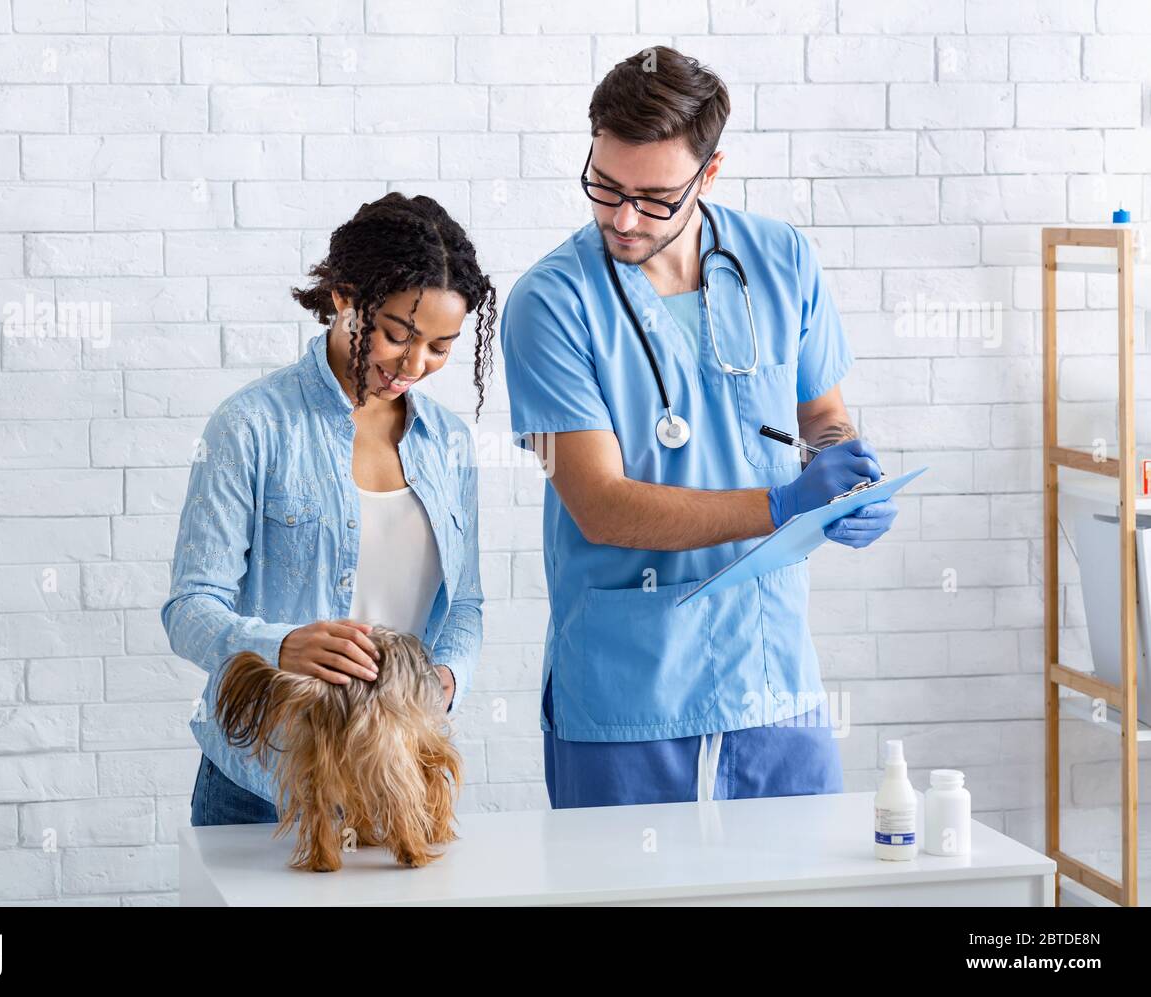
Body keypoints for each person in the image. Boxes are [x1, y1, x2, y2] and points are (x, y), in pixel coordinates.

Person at [500, 47, 898, 809]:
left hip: (771, 668)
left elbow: (823, 417)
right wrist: (781, 506)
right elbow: (601, 504)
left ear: (709, 176)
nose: (621, 217)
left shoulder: (781, 259)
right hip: (629, 687)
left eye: (652, 198)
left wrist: (851, 475)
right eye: (604, 186)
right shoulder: (550, 305)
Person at [163, 192, 494, 826]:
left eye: (441, 347)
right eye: (397, 334)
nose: (415, 365)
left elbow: (466, 605)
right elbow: (189, 608)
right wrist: (279, 644)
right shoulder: (252, 426)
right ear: (344, 297)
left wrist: (448, 679)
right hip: (263, 783)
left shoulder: (448, 443)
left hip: (395, 779)